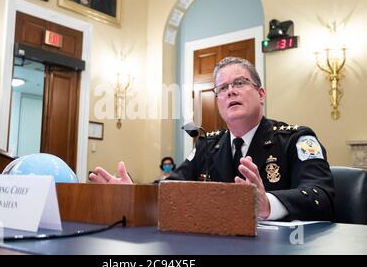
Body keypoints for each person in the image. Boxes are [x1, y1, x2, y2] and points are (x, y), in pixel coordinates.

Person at [89, 57, 335, 222]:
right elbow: (173, 187)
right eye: (222, 88)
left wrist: (267, 205)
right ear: (218, 100)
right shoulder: (207, 145)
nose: (230, 91)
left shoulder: (296, 139)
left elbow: (321, 195)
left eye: (240, 83)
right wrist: (134, 195)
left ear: (261, 94)